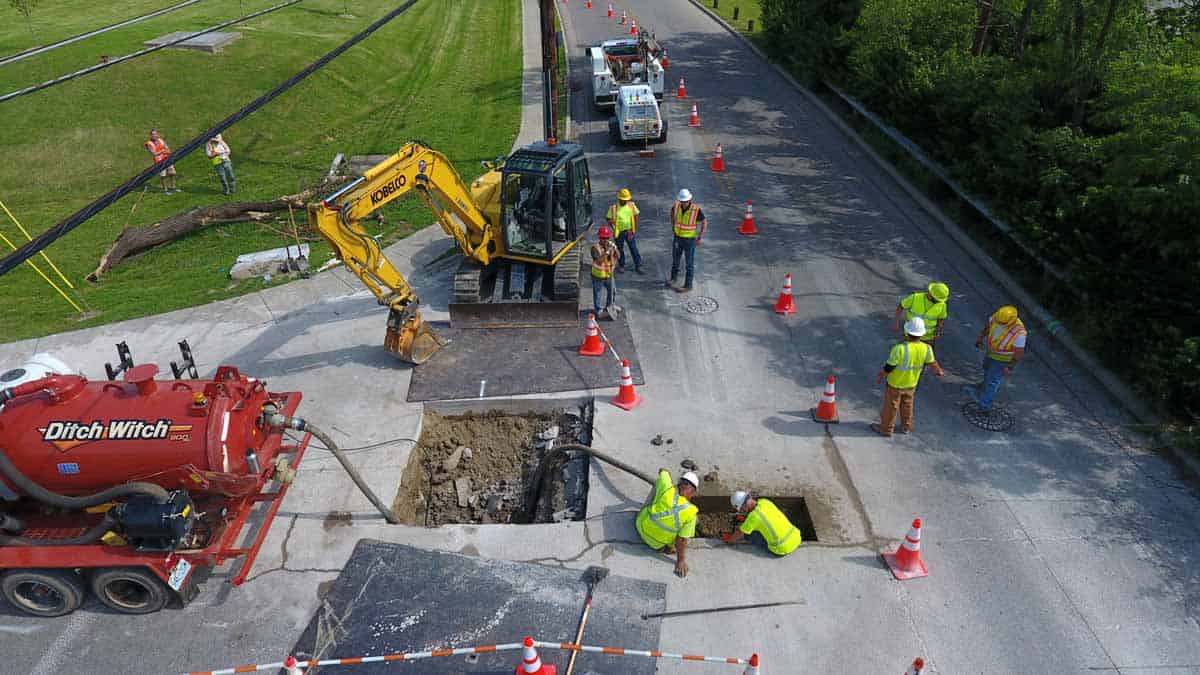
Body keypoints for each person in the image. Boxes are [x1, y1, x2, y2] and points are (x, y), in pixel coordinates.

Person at [871, 317, 945, 437]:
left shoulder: (899, 349)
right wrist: (939, 371)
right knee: (907, 405)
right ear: (921, 334)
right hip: (911, 384)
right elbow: (933, 363)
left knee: (891, 407)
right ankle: (906, 427)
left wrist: (880, 376)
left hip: (895, 384)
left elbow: (889, 367)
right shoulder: (926, 348)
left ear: (906, 332)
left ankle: (886, 429)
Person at [635, 468, 700, 577]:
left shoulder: (667, 488)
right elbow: (682, 540)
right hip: (656, 544)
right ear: (692, 492)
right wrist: (680, 561)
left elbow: (662, 471)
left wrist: (667, 476)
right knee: (690, 526)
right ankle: (669, 548)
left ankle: (643, 512)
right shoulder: (691, 512)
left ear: (679, 484)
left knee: (659, 483)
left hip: (640, 525)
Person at [965, 305, 1027, 411]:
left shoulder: (1019, 333)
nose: (1000, 324)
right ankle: (983, 386)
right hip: (990, 354)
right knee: (986, 370)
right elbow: (988, 328)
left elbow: (1018, 353)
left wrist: (1010, 367)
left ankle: (984, 405)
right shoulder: (997, 317)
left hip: (1002, 361)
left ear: (1011, 321)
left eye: (1003, 324)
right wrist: (980, 338)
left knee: (993, 381)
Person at [721, 490, 802, 556]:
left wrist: (729, 539)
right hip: (796, 537)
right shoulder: (764, 502)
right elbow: (763, 516)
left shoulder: (753, 518)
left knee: (748, 534)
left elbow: (739, 534)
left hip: (781, 548)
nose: (742, 511)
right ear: (749, 497)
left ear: (742, 507)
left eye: (741, 510)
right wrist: (746, 518)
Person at [666, 188, 707, 293]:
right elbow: (671, 215)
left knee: (689, 263)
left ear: (689, 200)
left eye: (685, 201)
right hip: (678, 238)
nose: (683, 203)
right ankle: (673, 278)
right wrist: (673, 226)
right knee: (675, 260)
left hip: (689, 240)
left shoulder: (695, 210)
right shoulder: (676, 207)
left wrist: (700, 237)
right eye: (682, 201)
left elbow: (704, 222)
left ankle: (688, 285)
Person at [607, 188, 643, 274]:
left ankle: (638, 265)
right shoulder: (614, 208)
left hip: (629, 231)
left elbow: (636, 215)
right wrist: (612, 225)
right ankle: (622, 265)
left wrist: (634, 229)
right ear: (619, 199)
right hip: (619, 232)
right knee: (619, 249)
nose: (625, 201)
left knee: (633, 248)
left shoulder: (631, 205)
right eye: (623, 200)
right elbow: (608, 218)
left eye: (626, 200)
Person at [590, 226, 619, 319]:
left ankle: (610, 306)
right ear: (599, 238)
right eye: (603, 238)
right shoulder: (595, 248)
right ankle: (598, 310)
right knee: (597, 294)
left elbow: (618, 256)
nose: (605, 240)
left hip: (608, 275)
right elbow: (599, 261)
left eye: (607, 238)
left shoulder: (610, 245)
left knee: (613, 291)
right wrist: (607, 252)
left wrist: (615, 249)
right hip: (597, 276)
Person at [144, 129, 178, 194]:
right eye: (153, 134)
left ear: (157, 134)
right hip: (159, 161)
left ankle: (173, 187)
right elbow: (154, 153)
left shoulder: (161, 140)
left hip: (167, 158)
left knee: (172, 173)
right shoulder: (149, 143)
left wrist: (165, 151)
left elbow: (167, 149)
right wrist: (162, 151)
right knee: (163, 175)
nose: (154, 135)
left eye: (155, 134)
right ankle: (165, 190)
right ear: (150, 136)